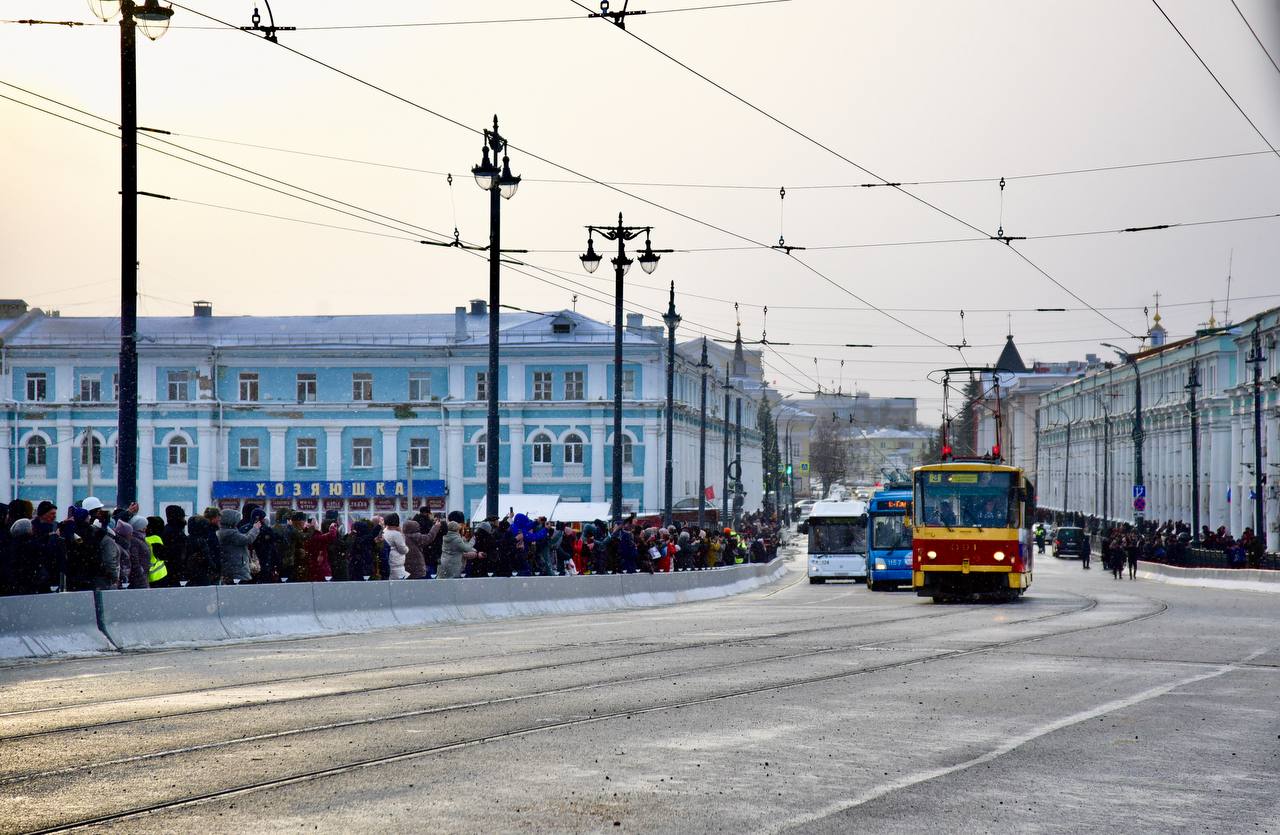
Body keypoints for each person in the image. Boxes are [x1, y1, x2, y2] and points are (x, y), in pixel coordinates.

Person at [217, 509, 261, 583]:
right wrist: (255, 529)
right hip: (237, 567)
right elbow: (247, 539)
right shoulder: (231, 533)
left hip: (231, 566)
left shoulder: (225, 531)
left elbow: (243, 537)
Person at [439, 510, 480, 579]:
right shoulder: (454, 534)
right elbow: (462, 548)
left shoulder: (447, 533)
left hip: (450, 565)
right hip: (454, 565)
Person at [382, 513, 409, 580]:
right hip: (397, 565)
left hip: (388, 563)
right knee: (399, 587)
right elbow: (403, 550)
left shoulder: (384, 531)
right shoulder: (396, 534)